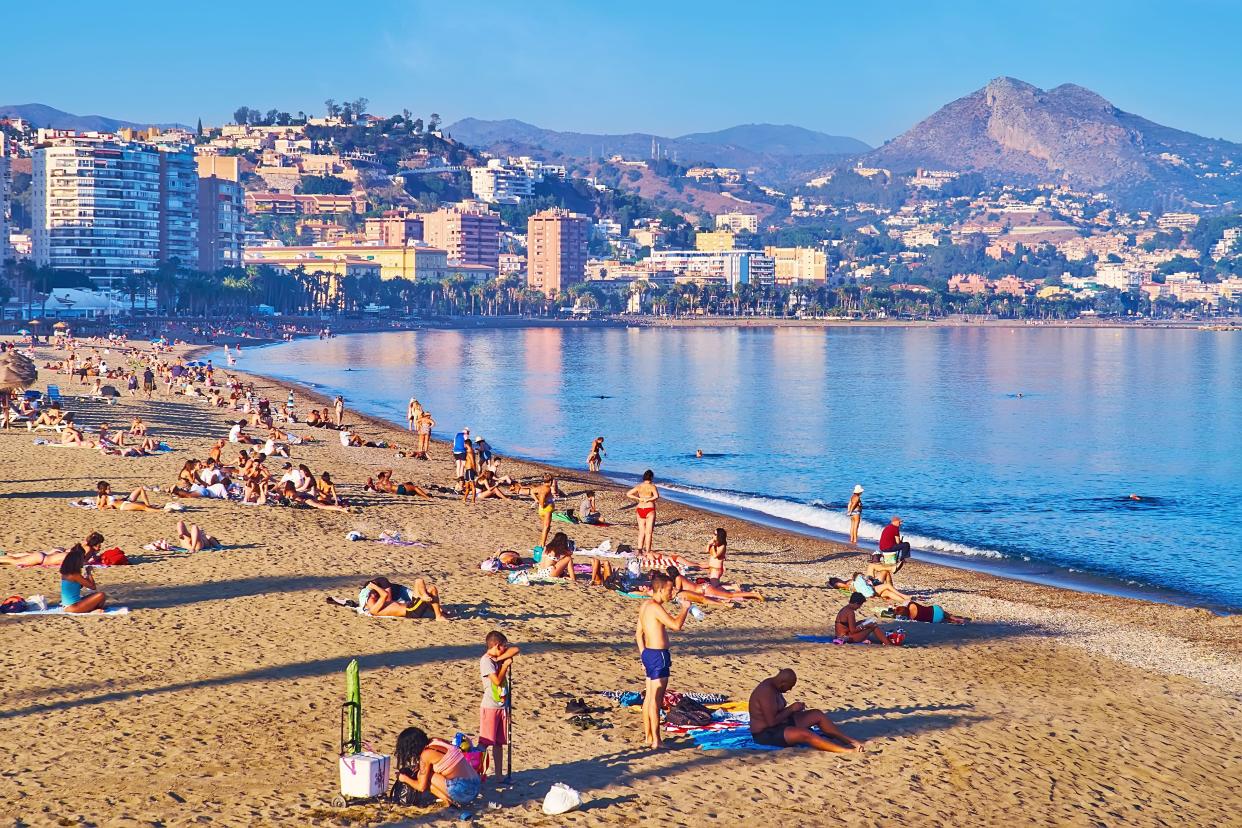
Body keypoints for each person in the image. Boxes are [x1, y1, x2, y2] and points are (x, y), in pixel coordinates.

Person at [748, 669, 863, 753]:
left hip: (782, 722)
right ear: (783, 683)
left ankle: (848, 740)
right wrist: (791, 709)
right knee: (806, 734)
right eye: (789, 687)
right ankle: (844, 751)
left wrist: (794, 711)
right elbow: (771, 722)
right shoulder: (766, 692)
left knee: (816, 715)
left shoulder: (775, 686)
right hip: (767, 733)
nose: (790, 690)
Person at [636, 572, 690, 749]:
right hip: (658, 655)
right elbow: (676, 625)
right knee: (655, 700)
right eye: (669, 589)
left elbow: (638, 634)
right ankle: (657, 741)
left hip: (649, 654)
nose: (672, 593)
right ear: (659, 590)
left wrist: (643, 654)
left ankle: (648, 736)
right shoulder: (655, 607)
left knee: (649, 698)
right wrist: (685, 609)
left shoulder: (645, 605)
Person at [392, 726, 480, 807]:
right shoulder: (436, 741)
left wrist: (403, 778)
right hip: (476, 783)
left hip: (465, 792)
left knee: (422, 776)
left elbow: (421, 787)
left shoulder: (426, 755)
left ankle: (448, 801)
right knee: (426, 773)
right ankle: (450, 800)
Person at [480, 630, 519, 782]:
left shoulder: (495, 658)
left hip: (502, 705)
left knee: (498, 743)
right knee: (485, 742)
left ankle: (498, 775)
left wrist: (500, 658)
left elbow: (516, 649)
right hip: (490, 706)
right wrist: (504, 666)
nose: (506, 648)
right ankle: (477, 772)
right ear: (496, 645)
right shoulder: (485, 661)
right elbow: (496, 681)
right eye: (503, 646)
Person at [360, 576, 446, 620]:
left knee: (418, 581)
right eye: (371, 595)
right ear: (367, 603)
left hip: (411, 606)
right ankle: (438, 616)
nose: (374, 595)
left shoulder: (376, 604)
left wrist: (374, 589)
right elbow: (385, 595)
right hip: (411, 611)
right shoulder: (373, 610)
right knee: (432, 589)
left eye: (373, 594)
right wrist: (375, 587)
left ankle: (424, 596)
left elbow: (383, 595)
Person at [59, 544, 107, 613]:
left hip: (68, 605)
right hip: (72, 607)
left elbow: (78, 586)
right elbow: (92, 587)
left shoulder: (66, 573)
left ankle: (93, 609)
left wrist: (84, 578)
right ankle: (93, 610)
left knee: (95, 595)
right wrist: (89, 572)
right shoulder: (75, 575)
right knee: (101, 595)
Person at [626, 470, 660, 553]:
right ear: (651, 477)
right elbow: (656, 496)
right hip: (649, 508)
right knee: (648, 532)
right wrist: (648, 499)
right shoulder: (652, 486)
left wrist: (639, 498)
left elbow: (628, 493)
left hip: (640, 508)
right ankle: (648, 551)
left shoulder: (639, 486)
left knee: (641, 531)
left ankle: (640, 550)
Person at [96, 481, 160, 512]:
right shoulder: (103, 496)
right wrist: (109, 506)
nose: (110, 490)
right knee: (143, 507)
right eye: (108, 489)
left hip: (124, 502)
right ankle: (161, 511)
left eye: (109, 488)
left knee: (141, 491)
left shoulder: (107, 495)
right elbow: (100, 507)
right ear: (103, 489)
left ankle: (149, 505)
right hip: (123, 505)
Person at [893, 600, 969, 624]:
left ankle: (950, 621)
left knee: (940, 618)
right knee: (941, 612)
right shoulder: (911, 604)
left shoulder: (911, 618)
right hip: (937, 610)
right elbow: (906, 601)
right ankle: (954, 618)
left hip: (935, 620)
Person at [531, 475, 555, 548]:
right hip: (546, 509)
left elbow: (532, 491)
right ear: (550, 481)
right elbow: (542, 497)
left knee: (546, 527)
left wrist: (536, 500)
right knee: (546, 527)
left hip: (541, 510)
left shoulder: (540, 487)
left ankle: (541, 543)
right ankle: (542, 544)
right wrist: (542, 503)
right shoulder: (547, 489)